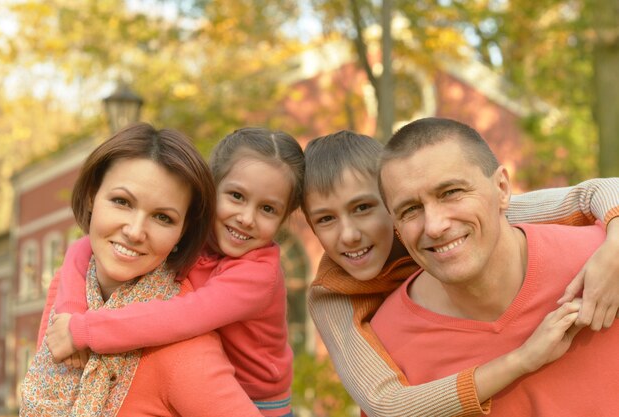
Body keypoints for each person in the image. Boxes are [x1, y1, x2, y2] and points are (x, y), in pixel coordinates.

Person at [305, 130, 619, 416]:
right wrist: (522, 359)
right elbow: (386, 405)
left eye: (362, 208)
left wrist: (615, 246)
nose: (349, 235)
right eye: (325, 219)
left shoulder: (474, 215)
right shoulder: (333, 294)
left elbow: (591, 194)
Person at [43, 127, 304, 417]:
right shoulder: (193, 237)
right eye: (236, 196)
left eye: (268, 209)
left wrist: (84, 330)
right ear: (211, 190)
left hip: (259, 402)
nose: (246, 218)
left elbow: (183, 316)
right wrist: (70, 310)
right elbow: (82, 248)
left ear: (283, 219)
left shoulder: (258, 275)